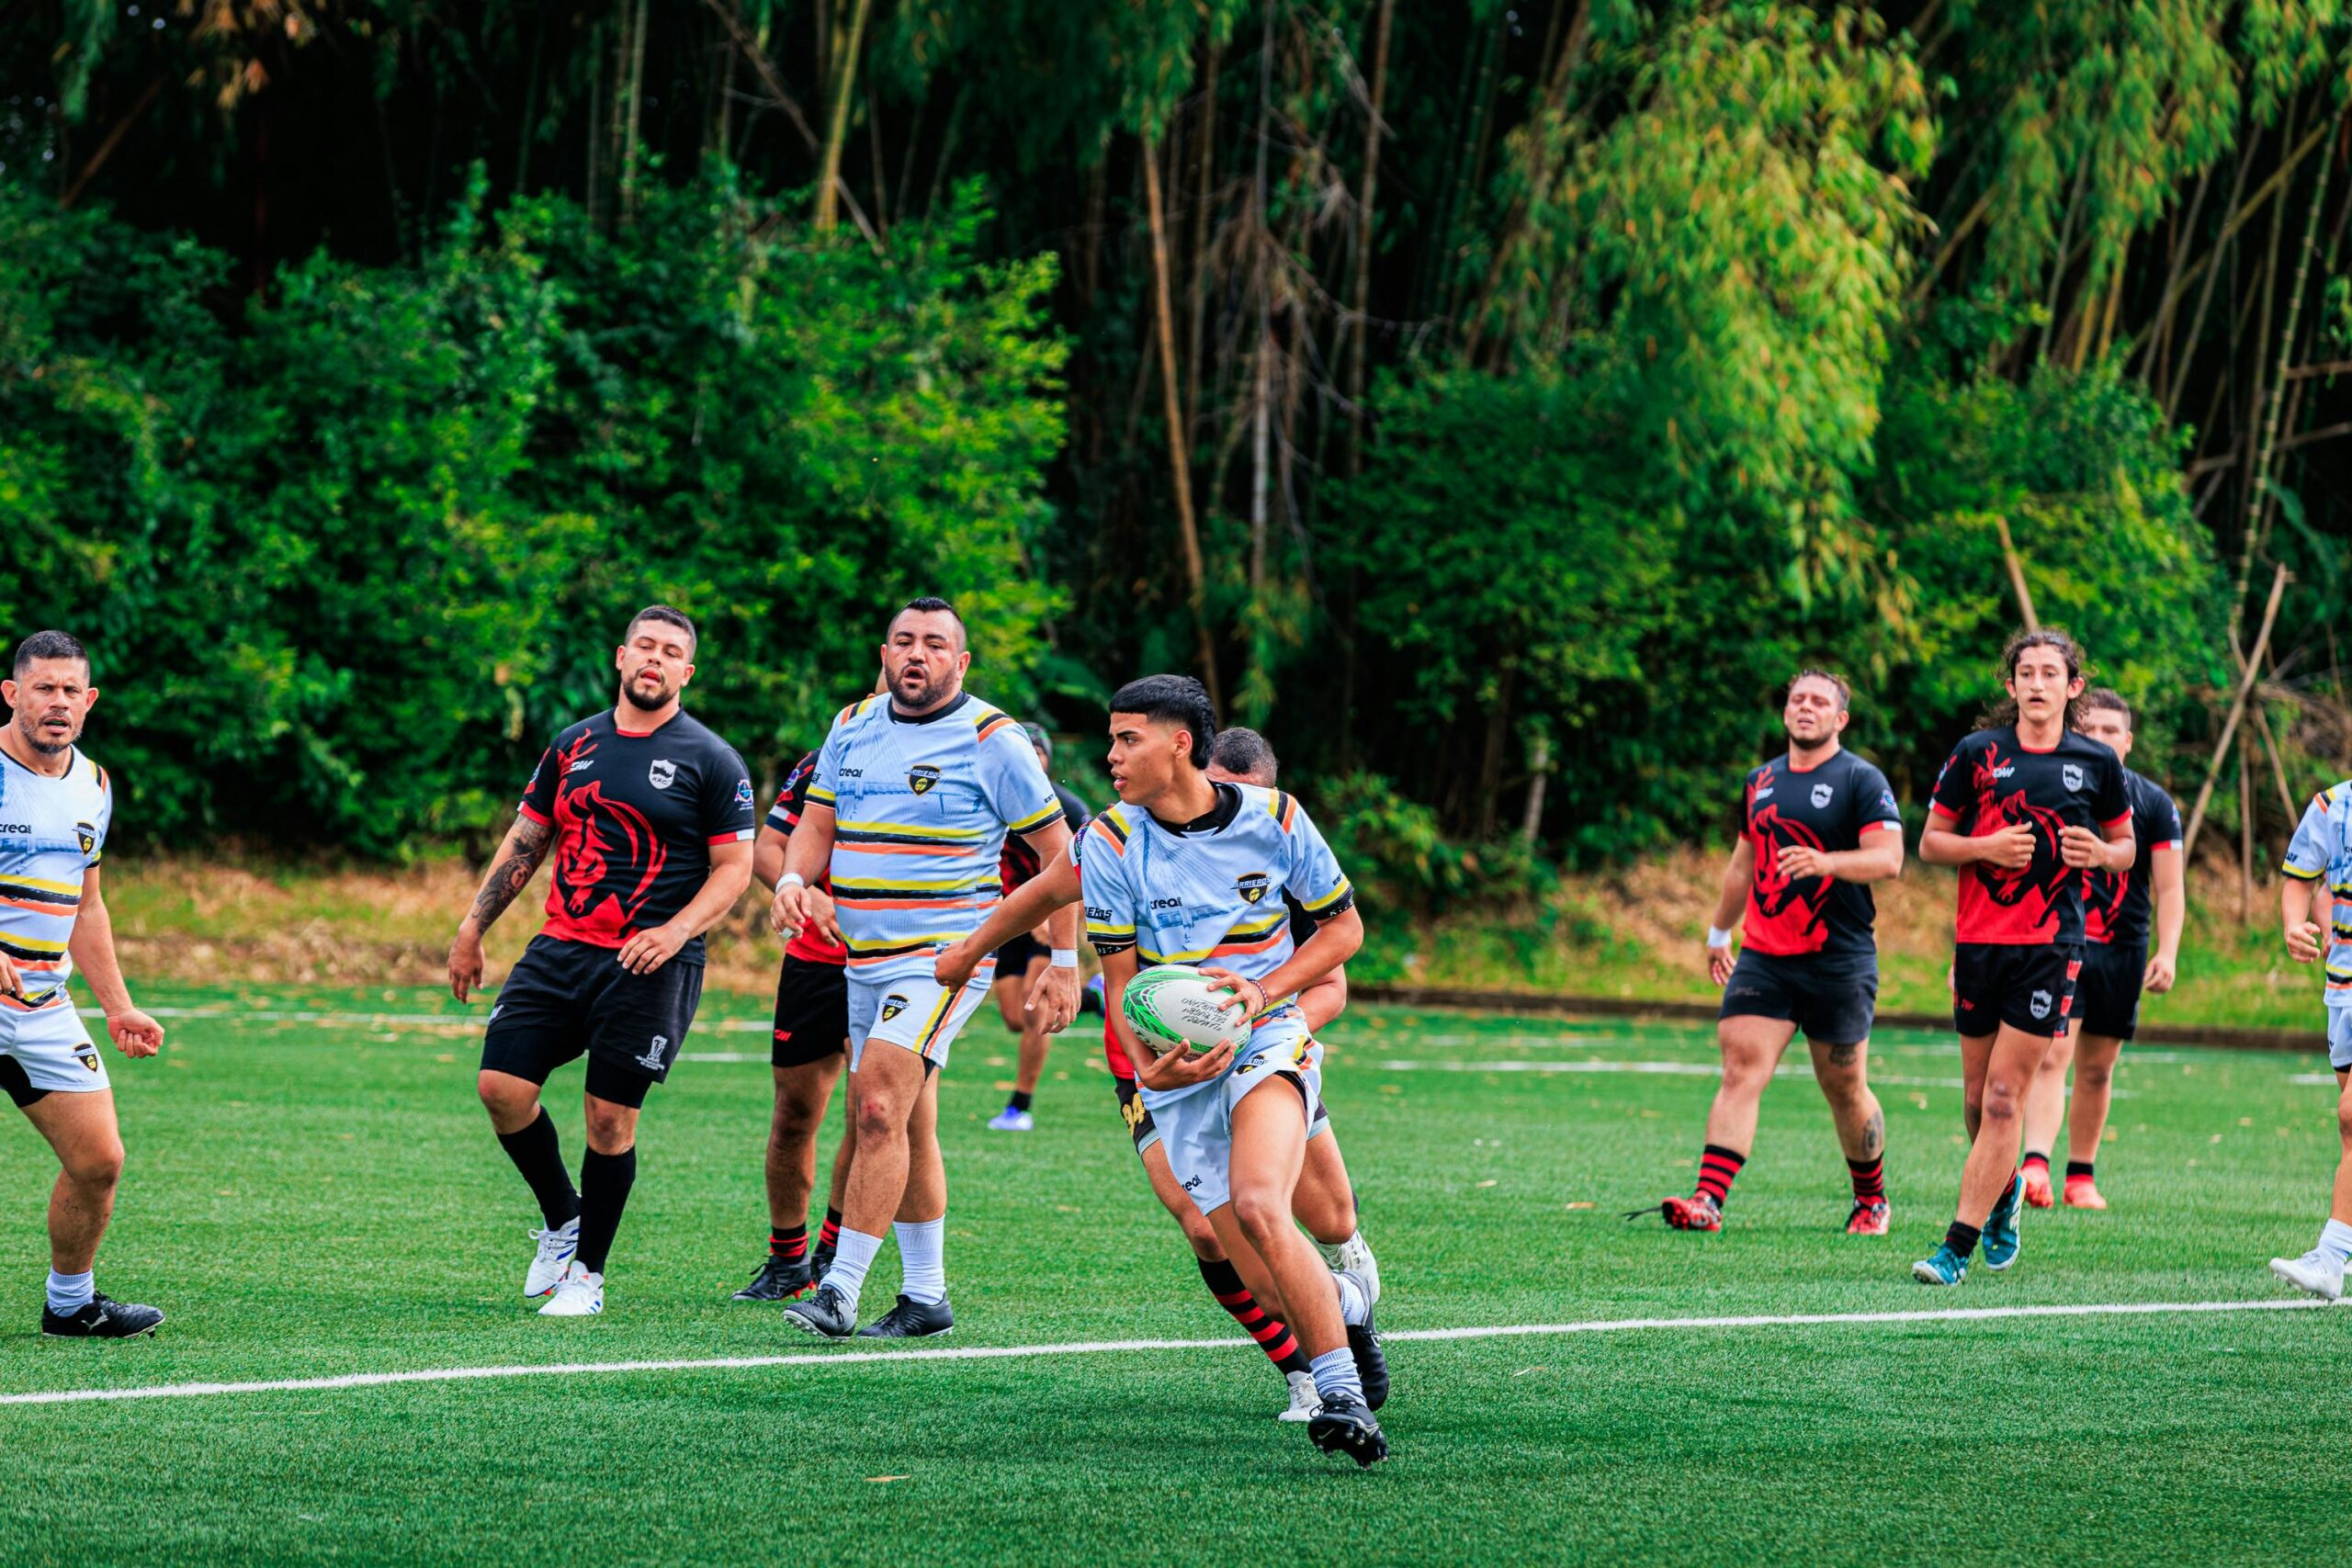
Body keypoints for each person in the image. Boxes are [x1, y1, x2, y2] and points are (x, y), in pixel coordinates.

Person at [948, 678, 1387, 1464]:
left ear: (1180, 744)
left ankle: (1340, 1393)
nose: (1111, 757)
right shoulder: (1112, 842)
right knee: (1258, 1272)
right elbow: (1120, 985)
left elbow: (1344, 932)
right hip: (1176, 1072)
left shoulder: (1277, 818)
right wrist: (1154, 1071)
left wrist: (1261, 993)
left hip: (1265, 1036)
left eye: (1128, 739)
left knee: (1262, 1203)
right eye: (1111, 740)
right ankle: (1347, 1301)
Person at [774, 598, 1079, 1340]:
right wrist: (791, 879)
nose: (918, 654)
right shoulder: (851, 725)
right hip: (863, 961)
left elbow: (1063, 855)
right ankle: (926, 1296)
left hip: (944, 960)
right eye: (904, 641)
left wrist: (1065, 961)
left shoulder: (993, 738)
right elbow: (816, 824)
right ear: (884, 654)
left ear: (961, 661)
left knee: (876, 1105)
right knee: (906, 1116)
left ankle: (839, 1289)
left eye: (935, 644)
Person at [448, 605, 756, 1318]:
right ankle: (564, 1215)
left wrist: (676, 931)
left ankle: (587, 1276)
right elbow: (527, 838)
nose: (655, 658)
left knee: (609, 1117)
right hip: (561, 948)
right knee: (500, 1087)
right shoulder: (573, 743)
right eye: (644, 645)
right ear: (621, 656)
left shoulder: (712, 758)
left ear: (687, 671)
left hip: (651, 963)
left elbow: (735, 869)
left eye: (670, 651)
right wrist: (472, 925)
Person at [1912, 630, 2132, 1287]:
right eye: (2026, 672)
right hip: (1980, 943)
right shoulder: (1977, 753)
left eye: (2050, 673)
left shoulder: (2097, 762)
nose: (2037, 683)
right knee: (1977, 1100)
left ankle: (1955, 1247)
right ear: (2011, 686)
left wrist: (2100, 852)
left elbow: (2125, 847)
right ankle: (2005, 1189)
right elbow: (1930, 843)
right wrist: (1985, 847)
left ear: (2073, 687)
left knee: (2006, 1098)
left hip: (2050, 947)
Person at [1650, 671, 1905, 1235]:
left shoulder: (1861, 779)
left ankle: (1871, 1200)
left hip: (1838, 959)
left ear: (1840, 718)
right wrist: (1720, 932)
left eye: (1819, 701)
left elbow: (1889, 859)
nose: (1806, 707)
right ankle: (1707, 1201)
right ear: (1786, 712)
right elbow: (1742, 865)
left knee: (1844, 1086)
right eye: (1797, 700)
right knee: (1740, 1070)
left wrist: (1826, 862)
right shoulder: (1760, 781)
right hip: (1765, 956)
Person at [1, 631, 166, 1337]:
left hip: (42, 1005)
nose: (58, 702)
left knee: (99, 1159)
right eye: (44, 687)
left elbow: (87, 905)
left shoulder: (93, 785)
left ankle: (70, 1303)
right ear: (12, 693)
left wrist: (118, 1005)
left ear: (90, 700)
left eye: (71, 689)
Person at [2018, 689, 2184, 1211]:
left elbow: (2170, 888)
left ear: (2128, 741)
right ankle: (2035, 1167)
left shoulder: (2154, 803)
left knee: (2097, 1068)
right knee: (2053, 1053)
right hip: (2058, 940)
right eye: (2088, 730)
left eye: (2110, 731)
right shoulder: (2051, 787)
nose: (2100, 740)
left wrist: (2168, 952)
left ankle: (2080, 1177)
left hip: (2122, 948)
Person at [732, 745, 854, 1301]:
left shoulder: (952, 748)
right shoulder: (829, 755)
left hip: (898, 964)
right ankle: (788, 1261)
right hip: (815, 964)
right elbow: (767, 849)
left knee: (874, 1113)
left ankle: (833, 1253)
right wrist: (804, 891)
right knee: (793, 1115)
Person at [986, 725, 1093, 1132]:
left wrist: (1057, 919)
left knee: (1036, 1012)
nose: (1030, 758)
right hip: (1006, 918)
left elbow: (1085, 871)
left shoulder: (1069, 808)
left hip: (1050, 919)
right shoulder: (993, 799)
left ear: (1047, 760)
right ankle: (1093, 998)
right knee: (1015, 1016)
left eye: (1037, 751)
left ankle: (1020, 1106)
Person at [2270, 779, 2352, 1300]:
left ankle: (2330, 1257)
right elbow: (2305, 881)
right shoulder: (2332, 806)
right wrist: (2293, 924)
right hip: (2342, 989)